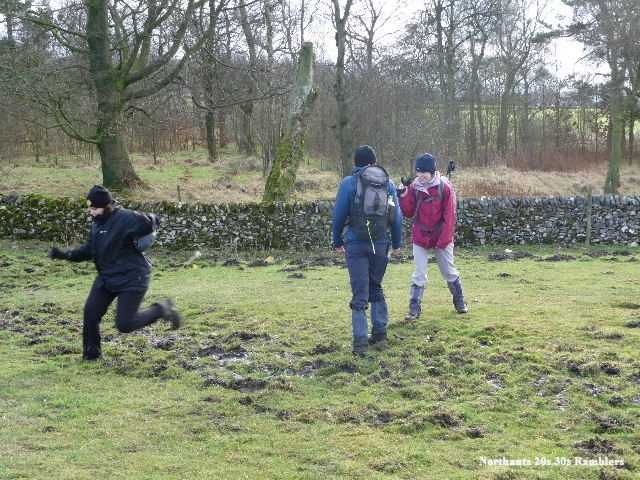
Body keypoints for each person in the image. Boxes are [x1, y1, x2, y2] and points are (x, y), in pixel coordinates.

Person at [49, 185, 181, 360]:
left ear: (107, 206)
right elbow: (89, 250)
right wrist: (67, 254)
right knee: (91, 313)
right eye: (90, 208)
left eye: (94, 208)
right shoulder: (98, 224)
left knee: (125, 324)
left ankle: (162, 310)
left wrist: (150, 220)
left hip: (133, 277)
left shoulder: (125, 217)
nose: (91, 212)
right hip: (107, 277)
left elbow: (151, 222)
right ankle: (91, 355)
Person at [332, 145, 403, 355]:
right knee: (376, 286)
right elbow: (397, 218)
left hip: (356, 244)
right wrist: (396, 244)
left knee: (360, 290)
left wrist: (337, 241)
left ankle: (361, 341)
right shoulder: (388, 183)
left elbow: (338, 215)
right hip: (380, 244)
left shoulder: (348, 183)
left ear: (356, 163)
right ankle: (380, 333)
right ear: (374, 162)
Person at [397, 153, 469, 321]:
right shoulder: (414, 187)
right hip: (420, 235)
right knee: (419, 273)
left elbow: (449, 217)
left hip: (441, 235)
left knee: (448, 270)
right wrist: (403, 195)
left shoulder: (445, 188)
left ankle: (459, 301)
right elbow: (408, 213)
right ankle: (414, 309)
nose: (421, 175)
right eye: (418, 171)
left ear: (432, 171)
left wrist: (443, 241)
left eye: (424, 172)